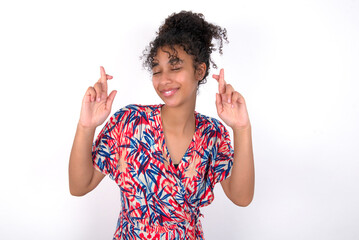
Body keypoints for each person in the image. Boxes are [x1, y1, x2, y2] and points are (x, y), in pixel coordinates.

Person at [69, 11, 254, 240]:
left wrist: (242, 129)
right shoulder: (129, 123)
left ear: (200, 70)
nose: (164, 79)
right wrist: (86, 126)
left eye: (175, 67)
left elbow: (242, 197)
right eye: (157, 70)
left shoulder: (212, 134)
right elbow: (79, 186)